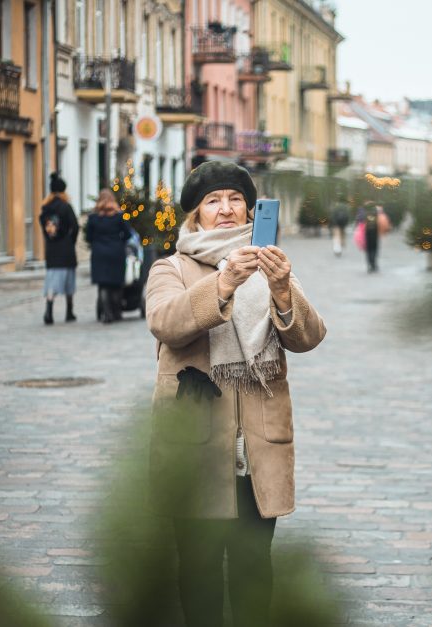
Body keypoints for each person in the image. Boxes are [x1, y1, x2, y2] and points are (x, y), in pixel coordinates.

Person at [145, 161, 326, 627]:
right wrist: (224, 282)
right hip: (196, 441)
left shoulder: (272, 266)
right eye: (212, 201)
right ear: (196, 215)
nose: (225, 209)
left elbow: (309, 337)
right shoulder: (173, 267)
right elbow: (165, 322)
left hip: (259, 445)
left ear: (249, 208)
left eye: (235, 199)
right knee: (199, 568)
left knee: (253, 567)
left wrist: (283, 289)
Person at [40, 172, 79, 325]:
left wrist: (49, 239)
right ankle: (69, 311)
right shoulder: (66, 207)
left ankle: (48, 311)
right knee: (69, 281)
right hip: (66, 249)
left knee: (52, 280)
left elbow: (44, 227)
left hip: (52, 249)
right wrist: (71, 240)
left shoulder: (45, 208)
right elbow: (75, 226)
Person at [85, 189, 130, 323]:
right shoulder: (118, 216)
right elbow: (127, 234)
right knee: (116, 283)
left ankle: (106, 312)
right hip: (116, 251)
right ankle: (116, 312)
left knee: (102, 283)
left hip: (99, 252)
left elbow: (88, 237)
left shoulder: (93, 217)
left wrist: (97, 242)